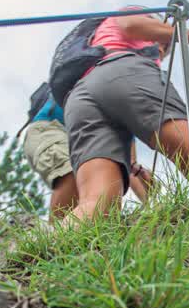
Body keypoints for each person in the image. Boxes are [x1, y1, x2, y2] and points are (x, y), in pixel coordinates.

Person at [62, 8, 189, 222]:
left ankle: (32, 255)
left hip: (80, 96)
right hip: (125, 71)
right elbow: (131, 25)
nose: (161, 50)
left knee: (97, 201)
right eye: (162, 43)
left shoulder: (97, 39)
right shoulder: (132, 14)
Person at [22, 89, 153, 220]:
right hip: (49, 128)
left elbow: (130, 168)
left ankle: (70, 232)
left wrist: (152, 205)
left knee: (103, 192)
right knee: (71, 172)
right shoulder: (108, 92)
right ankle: (54, 236)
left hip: (73, 140)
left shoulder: (122, 123)